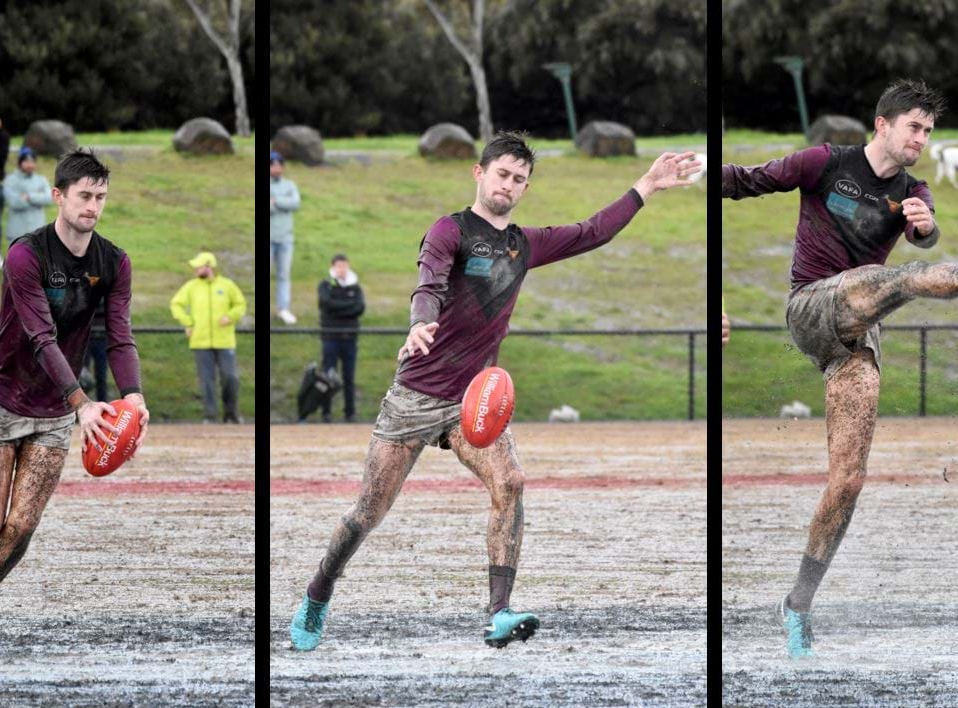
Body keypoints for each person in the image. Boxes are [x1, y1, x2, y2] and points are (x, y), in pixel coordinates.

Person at [288, 131, 702, 652]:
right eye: (503, 173)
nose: (509, 184)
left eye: (520, 179)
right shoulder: (449, 230)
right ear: (479, 174)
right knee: (367, 513)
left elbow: (592, 231)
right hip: (416, 395)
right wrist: (421, 322)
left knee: (511, 482)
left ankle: (499, 612)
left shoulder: (523, 245)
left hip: (473, 400)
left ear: (525, 189)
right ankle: (319, 590)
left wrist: (646, 185)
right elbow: (429, 282)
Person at [721, 79, 958, 660]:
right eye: (915, 127)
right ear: (882, 124)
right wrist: (697, 172)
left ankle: (797, 604)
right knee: (901, 279)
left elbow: (925, 234)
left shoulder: (915, 189)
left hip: (855, 338)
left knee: (849, 480)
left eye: (930, 131)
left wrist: (924, 224)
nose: (923, 139)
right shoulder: (825, 162)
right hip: (812, 305)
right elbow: (745, 182)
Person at [0, 149, 150, 644]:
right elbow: (41, 337)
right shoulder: (25, 254)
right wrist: (83, 402)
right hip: (4, 398)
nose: (93, 206)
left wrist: (134, 396)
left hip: (54, 413)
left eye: (101, 196)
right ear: (58, 196)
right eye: (84, 195)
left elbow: (119, 335)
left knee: (20, 527)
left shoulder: (114, 262)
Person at [169, 251, 247, 424]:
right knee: (207, 380)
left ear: (209, 266)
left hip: (225, 340)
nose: (195, 269)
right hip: (200, 341)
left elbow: (240, 304)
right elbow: (176, 304)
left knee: (230, 377)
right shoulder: (191, 287)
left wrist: (231, 316)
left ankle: (231, 412)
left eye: (199, 266)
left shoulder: (227, 285)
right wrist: (188, 322)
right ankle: (210, 415)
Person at [318, 253, 365, 423]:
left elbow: (359, 308)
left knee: (349, 377)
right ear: (333, 267)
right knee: (328, 376)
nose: (342, 269)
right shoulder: (325, 285)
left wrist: (337, 308)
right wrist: (348, 306)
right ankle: (326, 413)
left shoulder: (355, 288)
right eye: (339, 266)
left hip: (349, 338)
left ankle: (350, 413)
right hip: (330, 337)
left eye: (344, 266)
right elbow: (326, 303)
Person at [2, 147, 52, 248]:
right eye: (26, 161)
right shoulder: (10, 180)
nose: (30, 165)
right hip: (17, 233)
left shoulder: (41, 180)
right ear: (20, 162)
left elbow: (48, 198)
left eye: (32, 161)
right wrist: (38, 197)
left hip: (37, 233)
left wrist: (29, 196)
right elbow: (14, 202)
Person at [271, 151, 299, 324]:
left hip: (285, 238)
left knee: (284, 275)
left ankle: (283, 309)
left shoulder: (289, 184)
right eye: (273, 165)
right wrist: (283, 203)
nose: (276, 168)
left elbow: (295, 203)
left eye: (279, 165)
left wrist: (277, 201)